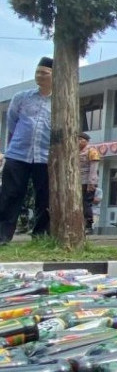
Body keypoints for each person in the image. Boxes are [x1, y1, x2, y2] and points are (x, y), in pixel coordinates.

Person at [0, 57, 53, 245]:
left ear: (54, 76)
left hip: (45, 157)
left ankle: (40, 236)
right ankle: (3, 236)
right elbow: (12, 123)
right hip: (18, 154)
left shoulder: (60, 102)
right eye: (37, 71)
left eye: (44, 73)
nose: (39, 75)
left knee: (45, 198)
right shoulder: (21, 97)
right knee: (10, 194)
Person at [78, 133, 100, 235]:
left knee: (86, 203)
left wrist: (91, 183)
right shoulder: (75, 151)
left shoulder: (91, 150)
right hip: (77, 182)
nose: (78, 141)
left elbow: (94, 169)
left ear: (86, 141)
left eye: (81, 139)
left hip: (87, 181)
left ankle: (88, 225)